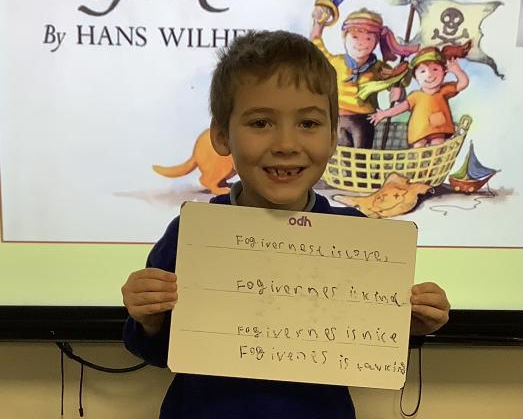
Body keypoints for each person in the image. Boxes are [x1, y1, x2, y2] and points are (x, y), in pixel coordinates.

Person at [122, 30, 450, 419]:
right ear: (221, 137)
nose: (286, 144)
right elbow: (157, 352)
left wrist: (412, 322)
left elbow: (369, 349)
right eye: (261, 122)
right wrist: (149, 319)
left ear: (333, 137)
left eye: (308, 123)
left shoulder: (358, 239)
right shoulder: (191, 234)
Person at [311, 8, 417, 148]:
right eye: (355, 37)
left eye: (368, 39)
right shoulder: (335, 62)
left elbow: (396, 82)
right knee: (342, 154)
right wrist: (318, 24)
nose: (361, 43)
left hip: (364, 120)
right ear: (345, 37)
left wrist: (400, 93)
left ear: (376, 42)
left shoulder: (378, 68)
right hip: (337, 118)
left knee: (361, 156)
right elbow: (316, 47)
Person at [368, 43, 470, 148]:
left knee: (437, 146)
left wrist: (457, 70)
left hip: (438, 129)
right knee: (418, 149)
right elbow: (401, 107)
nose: (429, 75)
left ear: (444, 72)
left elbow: (463, 84)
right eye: (423, 71)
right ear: (416, 77)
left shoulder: (444, 90)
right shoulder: (416, 96)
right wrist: (384, 114)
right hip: (419, 131)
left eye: (435, 69)